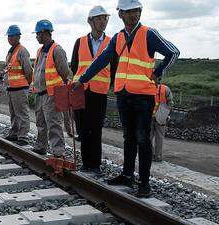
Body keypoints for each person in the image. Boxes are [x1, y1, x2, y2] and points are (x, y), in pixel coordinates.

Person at [73, 0, 180, 197]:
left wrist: (158, 71)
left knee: (142, 138)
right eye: (129, 12)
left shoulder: (149, 33)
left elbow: (173, 52)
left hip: (143, 96)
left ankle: (144, 182)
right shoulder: (119, 38)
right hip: (123, 94)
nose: (133, 15)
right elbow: (102, 60)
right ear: (121, 14)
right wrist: (83, 79)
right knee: (128, 137)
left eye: (136, 11)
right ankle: (127, 175)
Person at [71, 6, 113, 174]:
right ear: (90, 21)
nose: (103, 22)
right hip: (81, 90)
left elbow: (115, 67)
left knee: (95, 129)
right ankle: (85, 163)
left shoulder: (111, 42)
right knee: (82, 129)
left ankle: (94, 165)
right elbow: (74, 65)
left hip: (99, 91)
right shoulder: (80, 41)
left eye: (105, 18)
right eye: (99, 18)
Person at [32, 19, 72, 157]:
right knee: (41, 123)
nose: (36, 36)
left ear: (44, 33)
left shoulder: (57, 50)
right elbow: (37, 71)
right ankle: (41, 146)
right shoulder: (39, 51)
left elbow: (64, 72)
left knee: (54, 123)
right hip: (40, 93)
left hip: (52, 94)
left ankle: (58, 151)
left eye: (37, 34)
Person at [4, 25, 33, 146]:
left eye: (11, 36)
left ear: (17, 36)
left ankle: (23, 137)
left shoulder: (22, 51)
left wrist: (28, 85)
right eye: (8, 36)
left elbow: (29, 71)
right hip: (11, 88)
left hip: (20, 88)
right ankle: (14, 133)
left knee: (22, 113)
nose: (9, 38)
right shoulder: (11, 51)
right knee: (14, 113)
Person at [150, 83, 173, 162]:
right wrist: (166, 114)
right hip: (161, 117)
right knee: (159, 138)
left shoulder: (147, 86)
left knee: (148, 138)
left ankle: (149, 155)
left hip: (149, 117)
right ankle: (158, 157)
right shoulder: (165, 89)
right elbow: (170, 103)